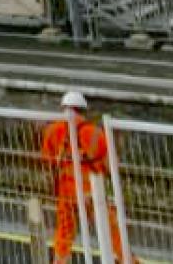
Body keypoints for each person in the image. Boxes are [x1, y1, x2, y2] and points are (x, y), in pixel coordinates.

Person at [42, 91, 126, 263]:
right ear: (83, 110)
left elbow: (48, 161)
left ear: (63, 108)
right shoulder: (95, 133)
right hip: (93, 192)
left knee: (63, 237)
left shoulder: (52, 131)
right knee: (112, 234)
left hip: (67, 192)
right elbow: (111, 164)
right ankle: (126, 260)